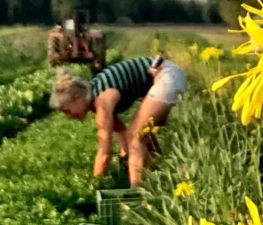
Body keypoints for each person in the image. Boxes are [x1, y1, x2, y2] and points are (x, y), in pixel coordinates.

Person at [49, 56, 186, 187]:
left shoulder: (102, 102)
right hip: (165, 73)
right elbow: (120, 130)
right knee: (142, 136)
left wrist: (94, 183)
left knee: (136, 136)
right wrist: (125, 153)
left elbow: (104, 153)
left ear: (78, 97)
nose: (68, 116)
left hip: (166, 75)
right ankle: (159, 178)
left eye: (66, 110)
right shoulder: (96, 93)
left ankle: (136, 192)